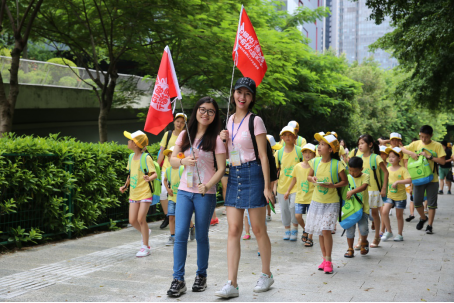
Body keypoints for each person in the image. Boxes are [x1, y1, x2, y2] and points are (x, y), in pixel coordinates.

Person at [216, 77, 275, 298]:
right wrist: (223, 139)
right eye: (239, 92)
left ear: (251, 99)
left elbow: (263, 155)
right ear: (234, 94)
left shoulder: (255, 120)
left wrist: (267, 187)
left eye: (247, 94)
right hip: (234, 174)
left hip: (253, 174)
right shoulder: (228, 121)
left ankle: (266, 274)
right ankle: (232, 283)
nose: (242, 97)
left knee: (258, 229)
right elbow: (227, 151)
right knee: (233, 230)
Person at [166, 97, 226, 297]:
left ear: (215, 115)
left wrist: (208, 185)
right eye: (202, 109)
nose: (206, 114)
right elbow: (173, 160)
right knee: (181, 234)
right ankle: (178, 279)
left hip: (204, 193)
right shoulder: (185, 134)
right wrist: (184, 162)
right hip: (184, 191)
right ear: (196, 111)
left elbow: (221, 168)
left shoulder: (216, 139)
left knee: (201, 236)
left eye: (211, 111)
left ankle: (201, 276)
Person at [306, 133, 348, 274]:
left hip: (332, 201)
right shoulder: (315, 162)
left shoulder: (337, 164)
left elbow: (345, 182)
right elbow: (309, 176)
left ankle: (329, 260)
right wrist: (313, 179)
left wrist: (333, 185)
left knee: (325, 230)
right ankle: (324, 259)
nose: (319, 147)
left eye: (323, 144)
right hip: (316, 201)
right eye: (319, 144)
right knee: (320, 231)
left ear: (331, 149)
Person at [400, 125, 446, 234]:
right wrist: (411, 153)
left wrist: (429, 156)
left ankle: (429, 226)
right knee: (416, 202)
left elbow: (443, 161)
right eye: (421, 136)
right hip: (418, 179)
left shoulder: (437, 145)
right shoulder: (415, 144)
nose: (423, 139)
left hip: (432, 179)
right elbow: (401, 148)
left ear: (431, 136)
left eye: (426, 137)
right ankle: (423, 218)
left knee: (431, 204)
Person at [119, 130, 158, 257]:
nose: (128, 142)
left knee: (141, 218)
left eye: (130, 140)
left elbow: (155, 174)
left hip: (145, 192)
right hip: (134, 193)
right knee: (132, 220)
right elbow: (130, 174)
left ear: (135, 144)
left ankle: (145, 247)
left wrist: (149, 178)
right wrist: (125, 186)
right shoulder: (131, 157)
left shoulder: (146, 157)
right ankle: (146, 231)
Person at [354, 134, 388, 249]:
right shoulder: (358, 158)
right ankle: (361, 239)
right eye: (359, 144)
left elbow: (386, 172)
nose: (360, 146)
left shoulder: (376, 158)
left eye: (362, 143)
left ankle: (377, 237)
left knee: (374, 214)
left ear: (370, 144)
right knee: (361, 215)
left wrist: (383, 188)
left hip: (374, 191)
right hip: (362, 191)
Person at [157, 113, 187, 229]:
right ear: (174, 122)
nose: (179, 124)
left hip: (180, 169)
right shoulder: (168, 134)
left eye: (182, 122)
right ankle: (168, 215)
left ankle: (179, 217)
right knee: (163, 193)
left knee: (179, 193)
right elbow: (162, 152)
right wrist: (157, 166)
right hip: (167, 169)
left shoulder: (186, 136)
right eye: (178, 121)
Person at [284, 143, 317, 247]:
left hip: (312, 197)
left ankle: (310, 239)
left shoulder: (316, 166)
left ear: (314, 154)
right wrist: (288, 191)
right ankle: (305, 229)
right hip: (300, 196)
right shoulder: (297, 166)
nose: (307, 154)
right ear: (302, 154)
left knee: (311, 218)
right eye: (305, 152)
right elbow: (294, 179)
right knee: (298, 216)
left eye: (310, 152)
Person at [163, 146, 196, 245]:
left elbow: (189, 180)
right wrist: (168, 189)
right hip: (172, 198)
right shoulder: (168, 170)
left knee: (184, 217)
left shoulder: (182, 169)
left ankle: (191, 227)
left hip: (182, 198)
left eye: (171, 156)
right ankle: (172, 236)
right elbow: (164, 180)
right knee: (171, 217)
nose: (169, 158)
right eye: (168, 156)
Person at [275, 126, 302, 241]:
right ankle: (287, 229)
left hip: (296, 186)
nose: (287, 137)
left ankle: (295, 229)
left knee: (293, 208)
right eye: (285, 135)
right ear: (281, 137)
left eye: (290, 135)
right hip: (282, 186)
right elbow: (276, 171)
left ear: (294, 136)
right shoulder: (278, 153)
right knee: (285, 209)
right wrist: (273, 187)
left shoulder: (300, 151)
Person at [381, 147, 412, 241]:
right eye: (389, 157)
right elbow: (384, 179)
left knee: (399, 216)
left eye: (393, 157)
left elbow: (409, 179)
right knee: (384, 212)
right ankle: (389, 231)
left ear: (399, 158)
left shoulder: (403, 169)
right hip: (389, 195)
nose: (390, 158)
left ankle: (399, 234)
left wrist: (398, 182)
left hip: (400, 197)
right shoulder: (388, 168)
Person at [344, 157, 370, 258]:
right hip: (350, 209)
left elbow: (364, 186)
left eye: (355, 171)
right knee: (350, 229)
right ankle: (350, 248)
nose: (352, 173)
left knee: (363, 229)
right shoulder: (347, 177)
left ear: (361, 169)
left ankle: (364, 242)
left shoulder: (365, 176)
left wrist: (351, 192)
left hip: (363, 208)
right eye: (350, 170)